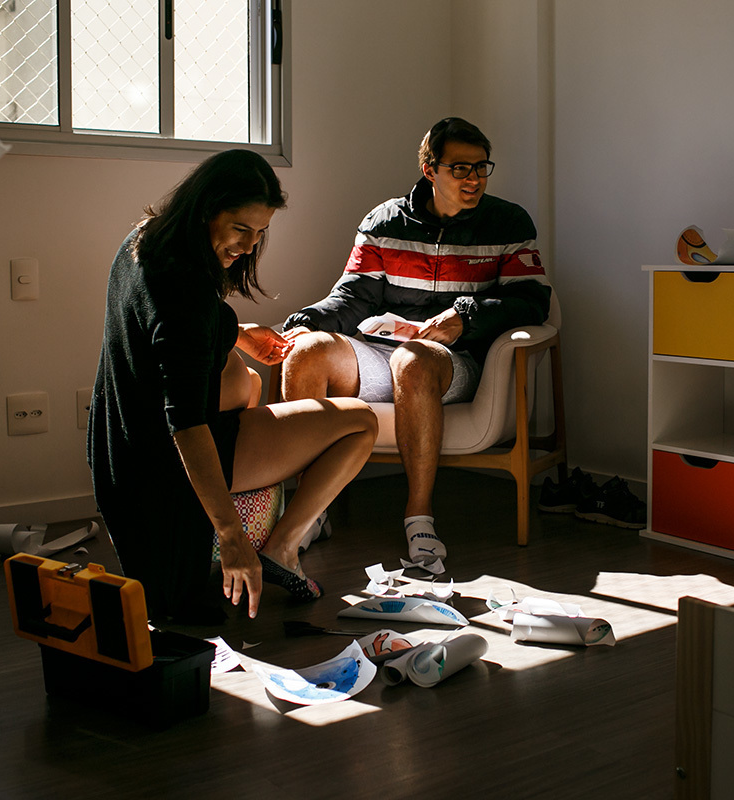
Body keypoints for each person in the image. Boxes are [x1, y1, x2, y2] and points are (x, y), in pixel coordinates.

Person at [88, 150, 378, 622]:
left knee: (244, 381)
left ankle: (255, 529)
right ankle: (281, 548)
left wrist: (238, 333)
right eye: (241, 229)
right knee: (360, 422)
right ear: (207, 209)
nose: (249, 245)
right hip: (162, 463)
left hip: (115, 447)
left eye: (261, 232)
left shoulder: (146, 239)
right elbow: (185, 424)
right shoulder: (183, 295)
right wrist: (231, 537)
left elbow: (164, 336)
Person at [279, 118, 550, 569]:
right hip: (381, 355)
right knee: (306, 351)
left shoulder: (508, 221)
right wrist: (303, 323)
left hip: (454, 364)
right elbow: (353, 296)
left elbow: (532, 301)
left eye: (482, 168)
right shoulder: (383, 221)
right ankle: (312, 511)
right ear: (430, 169)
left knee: (414, 359)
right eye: (461, 169)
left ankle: (418, 516)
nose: (474, 179)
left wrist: (466, 317)